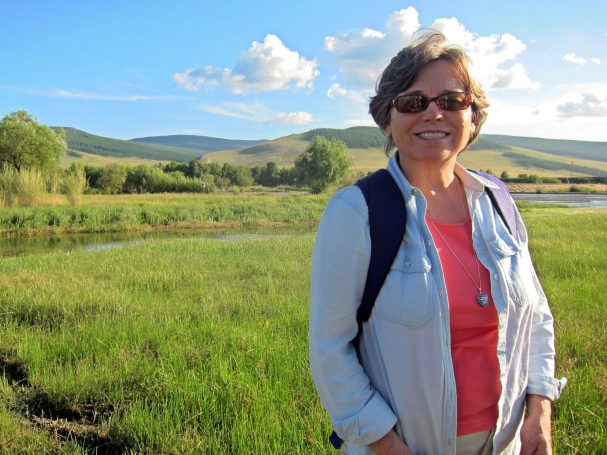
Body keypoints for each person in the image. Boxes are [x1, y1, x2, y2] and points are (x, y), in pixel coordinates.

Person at [309, 31, 565, 455]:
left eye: (452, 100)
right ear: (387, 120)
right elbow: (329, 350)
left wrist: (539, 413)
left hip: (507, 445)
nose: (433, 113)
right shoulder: (357, 211)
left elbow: (536, 316)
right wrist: (387, 445)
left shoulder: (498, 202)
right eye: (413, 102)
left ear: (473, 117)